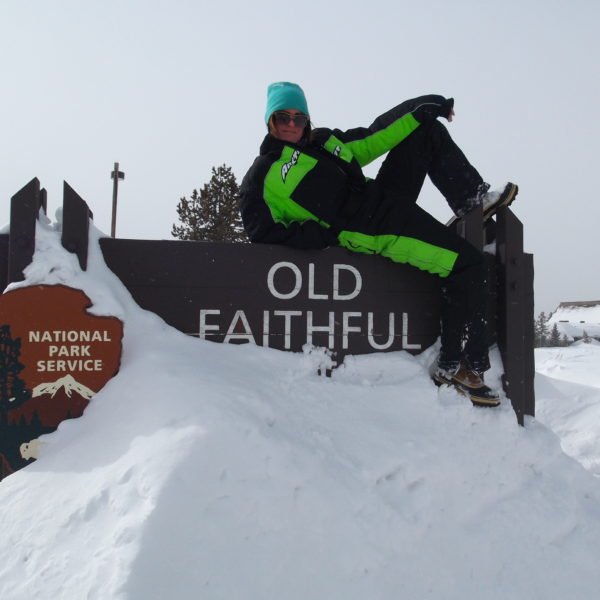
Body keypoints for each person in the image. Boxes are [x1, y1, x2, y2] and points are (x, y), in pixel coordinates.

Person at [239, 81, 518, 407]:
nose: (291, 124)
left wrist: (423, 106)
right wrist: (325, 235)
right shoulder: (263, 176)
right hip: (375, 230)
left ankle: (473, 199)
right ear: (269, 121)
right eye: (282, 117)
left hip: (383, 199)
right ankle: (455, 366)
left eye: (298, 118)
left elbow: (374, 136)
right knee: (468, 265)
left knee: (425, 131)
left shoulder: (326, 141)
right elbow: (262, 233)